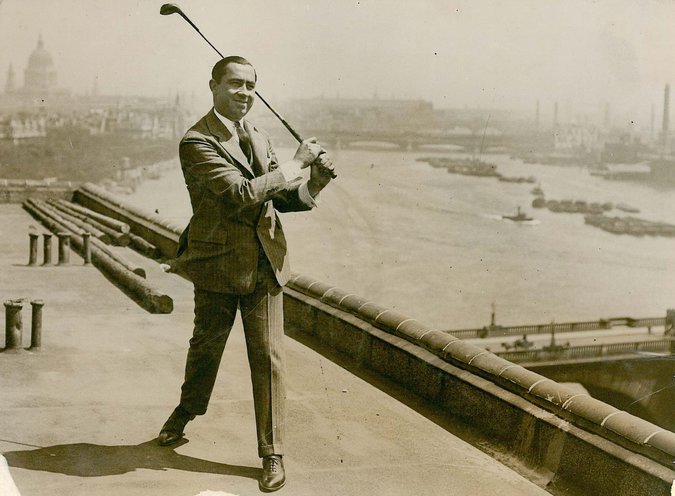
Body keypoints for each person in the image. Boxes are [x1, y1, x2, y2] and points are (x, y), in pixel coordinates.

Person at [157, 55, 334, 492]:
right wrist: (294, 163)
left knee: (268, 358)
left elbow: (277, 200)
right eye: (235, 84)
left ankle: (272, 453)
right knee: (206, 350)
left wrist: (313, 182)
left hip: (264, 265)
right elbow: (240, 194)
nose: (245, 93)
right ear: (213, 86)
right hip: (217, 266)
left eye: (251, 86)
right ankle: (184, 414)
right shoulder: (196, 141)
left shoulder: (258, 134)